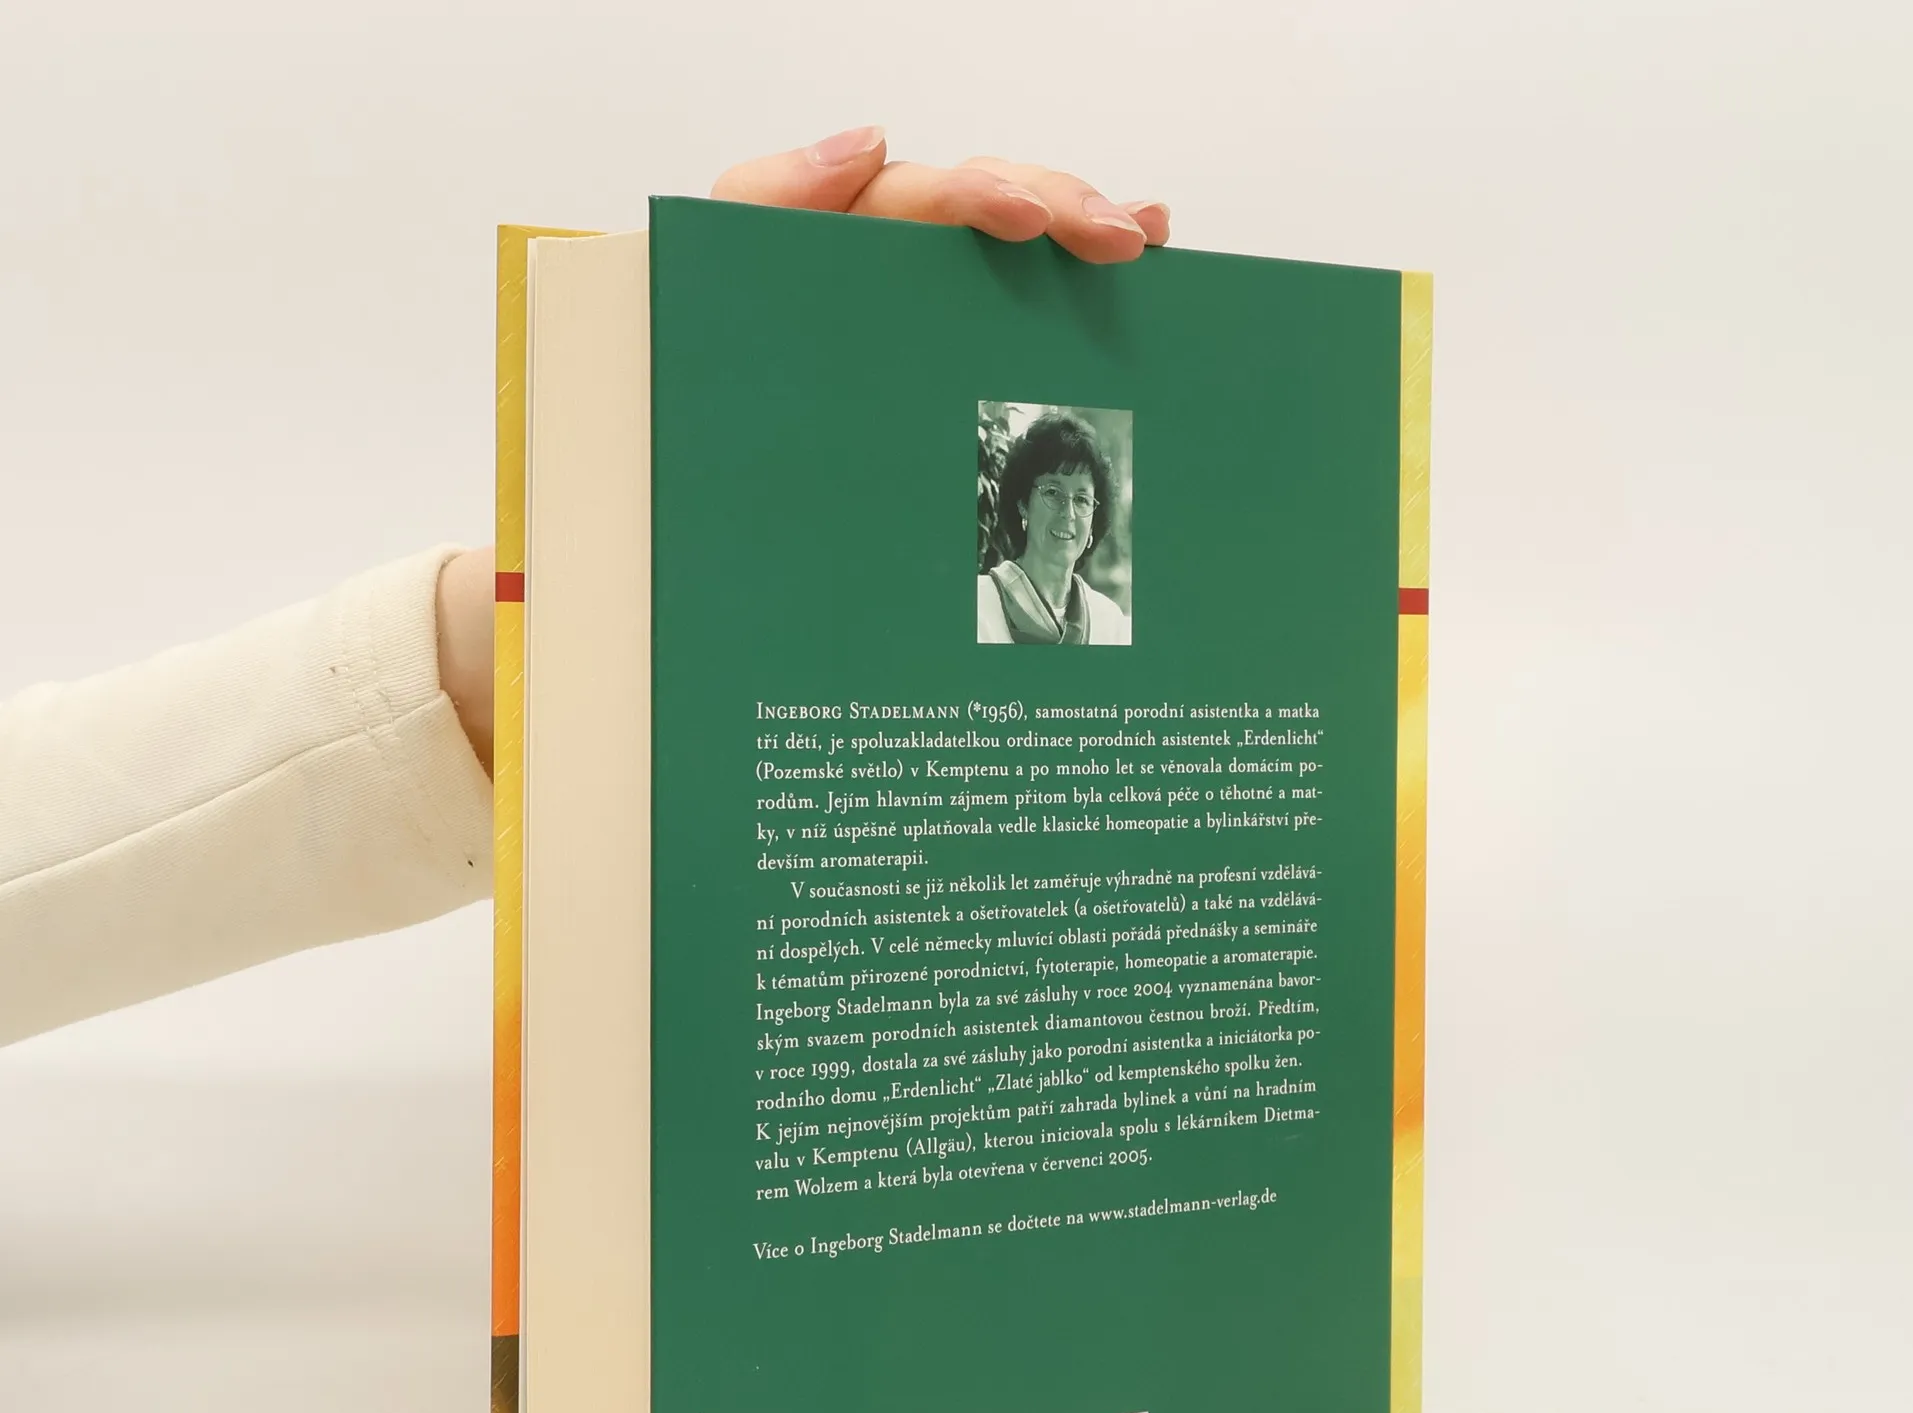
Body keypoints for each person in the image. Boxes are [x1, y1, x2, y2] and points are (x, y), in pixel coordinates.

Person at [0, 132, 1168, 1048]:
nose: (1073, 513)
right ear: (1020, 508)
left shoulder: (1109, 622)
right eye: (1053, 493)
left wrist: (501, 657)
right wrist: (528, 649)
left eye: (1088, 497)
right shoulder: (989, 602)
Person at [977, 409, 1130, 646]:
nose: (1068, 513)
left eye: (1081, 499)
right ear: (1023, 504)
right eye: (1052, 492)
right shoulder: (979, 607)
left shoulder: (1111, 624)